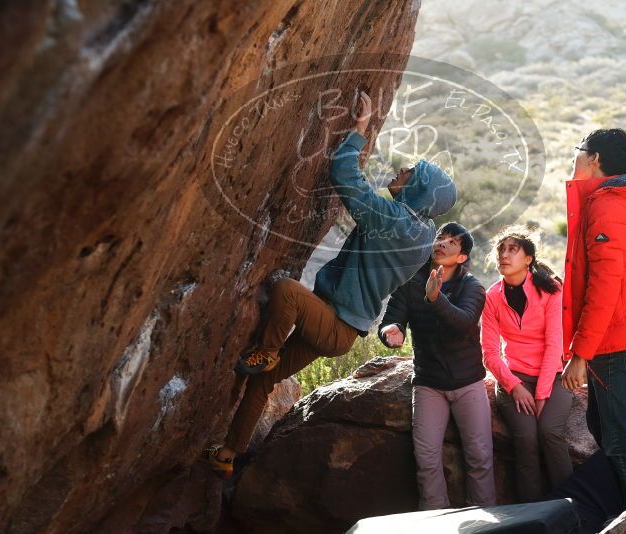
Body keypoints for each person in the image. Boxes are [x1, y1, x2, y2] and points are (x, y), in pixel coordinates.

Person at [208, 92, 457, 477]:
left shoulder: (395, 222)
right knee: (260, 385)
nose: (400, 172)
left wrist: (359, 130)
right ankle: (227, 454)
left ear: (418, 190)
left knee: (289, 292)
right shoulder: (421, 232)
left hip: (335, 323)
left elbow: (345, 178)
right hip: (337, 323)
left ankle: (267, 351)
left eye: (409, 172)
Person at [560, 128, 626, 511]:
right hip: (622, 330)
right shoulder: (614, 197)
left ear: (596, 160)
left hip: (614, 338)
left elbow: (604, 288)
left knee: (617, 435)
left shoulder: (607, 206)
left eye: (580, 151)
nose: (575, 158)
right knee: (603, 426)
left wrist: (580, 354)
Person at [379, 222, 495, 510]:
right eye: (441, 237)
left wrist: (435, 297)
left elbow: (463, 324)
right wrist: (391, 331)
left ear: (461, 257)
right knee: (427, 458)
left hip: (468, 383)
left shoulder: (473, 287)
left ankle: (486, 524)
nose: (442, 243)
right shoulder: (412, 283)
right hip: (428, 383)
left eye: (452, 242)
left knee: (480, 457)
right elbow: (392, 318)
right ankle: (434, 521)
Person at [481, 226, 572, 503]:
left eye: (512, 250)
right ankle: (532, 514)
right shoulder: (492, 296)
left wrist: (542, 393)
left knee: (550, 432)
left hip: (554, 377)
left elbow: (554, 345)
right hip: (515, 379)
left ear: (528, 258)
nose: (504, 256)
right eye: (501, 250)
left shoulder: (551, 290)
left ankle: (570, 505)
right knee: (526, 439)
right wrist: (514, 386)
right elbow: (489, 353)